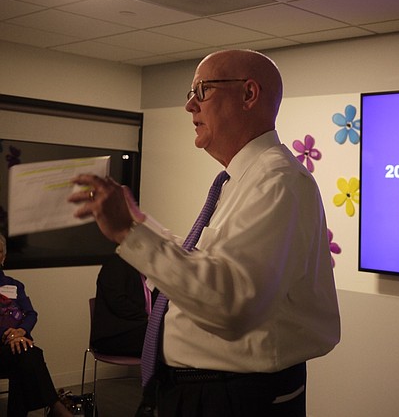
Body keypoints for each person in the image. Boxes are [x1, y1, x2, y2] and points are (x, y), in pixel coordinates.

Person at [69, 49, 341, 417]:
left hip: (234, 398)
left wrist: (129, 231)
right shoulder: (240, 181)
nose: (189, 106)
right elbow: (214, 271)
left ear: (248, 94)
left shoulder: (277, 181)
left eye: (202, 90)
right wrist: (137, 224)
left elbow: (229, 302)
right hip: (206, 391)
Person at [0, 234, 73, 417]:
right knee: (29, 354)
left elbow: (31, 314)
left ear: (3, 257)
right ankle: (55, 406)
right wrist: (9, 336)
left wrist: (21, 331)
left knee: (23, 357)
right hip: (4, 347)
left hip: (18, 345)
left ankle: (54, 407)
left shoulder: (15, 285)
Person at [91, 254, 156, 416]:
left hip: (138, 330)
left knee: (165, 338)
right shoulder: (116, 264)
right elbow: (118, 302)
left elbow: (156, 300)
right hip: (113, 335)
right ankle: (152, 402)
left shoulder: (146, 269)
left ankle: (154, 401)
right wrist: (148, 318)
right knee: (161, 341)